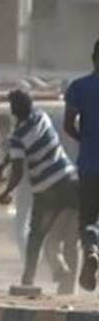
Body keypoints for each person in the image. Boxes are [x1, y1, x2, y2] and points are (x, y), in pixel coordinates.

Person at [0, 88, 79, 294]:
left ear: (14, 110)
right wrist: (3, 164)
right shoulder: (42, 117)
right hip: (70, 181)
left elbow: (17, 169)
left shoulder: (18, 136)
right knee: (72, 238)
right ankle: (69, 286)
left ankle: (29, 278)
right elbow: (17, 152)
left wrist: (6, 191)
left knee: (37, 237)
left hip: (47, 190)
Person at [65, 38, 99, 291]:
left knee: (87, 219)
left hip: (89, 166)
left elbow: (68, 125)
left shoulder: (79, 86)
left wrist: (85, 139)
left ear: (93, 58)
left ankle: (91, 250)